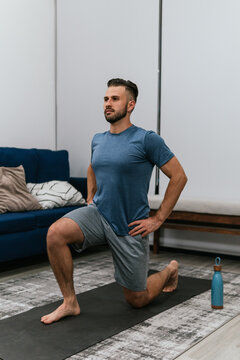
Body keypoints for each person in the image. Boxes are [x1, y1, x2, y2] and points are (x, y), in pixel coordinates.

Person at [41, 78, 187, 325]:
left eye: (114, 99)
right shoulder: (98, 139)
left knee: (137, 300)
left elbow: (179, 176)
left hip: (131, 224)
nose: (108, 104)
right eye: (106, 99)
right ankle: (70, 302)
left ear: (130, 105)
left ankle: (169, 270)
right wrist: (90, 197)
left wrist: (158, 219)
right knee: (55, 233)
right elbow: (93, 167)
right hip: (99, 214)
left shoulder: (147, 139)